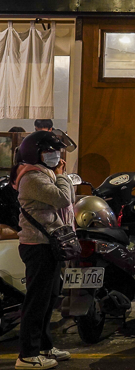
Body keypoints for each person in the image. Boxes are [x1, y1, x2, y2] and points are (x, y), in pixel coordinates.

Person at [14, 131, 75, 369]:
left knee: (50, 298)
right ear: (34, 153)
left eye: (56, 151)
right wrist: (62, 176)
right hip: (37, 245)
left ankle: (44, 346)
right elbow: (63, 199)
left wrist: (58, 174)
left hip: (49, 244)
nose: (55, 155)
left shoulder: (44, 173)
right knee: (36, 301)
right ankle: (27, 355)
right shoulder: (32, 178)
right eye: (49, 151)